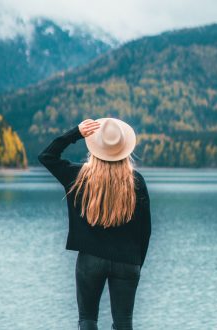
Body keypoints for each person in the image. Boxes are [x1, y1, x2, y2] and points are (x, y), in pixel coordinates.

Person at [38, 118, 152, 330]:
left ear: (95, 149)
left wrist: (76, 133)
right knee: (124, 323)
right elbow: (145, 232)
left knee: (88, 320)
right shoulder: (136, 182)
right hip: (128, 262)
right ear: (124, 150)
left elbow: (47, 156)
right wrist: (136, 264)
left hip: (90, 261)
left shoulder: (79, 177)